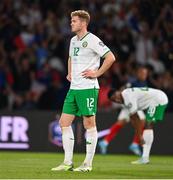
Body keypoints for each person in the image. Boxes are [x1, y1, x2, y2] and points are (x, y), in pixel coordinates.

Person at [51, 10, 115, 172]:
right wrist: (69, 72)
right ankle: (67, 162)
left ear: (83, 23)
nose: (71, 23)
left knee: (89, 124)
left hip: (88, 88)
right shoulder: (73, 40)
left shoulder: (92, 40)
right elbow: (71, 57)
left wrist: (97, 73)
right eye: (71, 21)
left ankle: (87, 164)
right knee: (64, 123)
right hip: (74, 88)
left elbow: (110, 57)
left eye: (74, 21)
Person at [107, 87, 168, 164]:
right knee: (147, 124)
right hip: (155, 99)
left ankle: (145, 158)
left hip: (158, 99)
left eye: (116, 96)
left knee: (148, 124)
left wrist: (139, 136)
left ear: (119, 92)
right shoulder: (125, 98)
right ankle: (145, 158)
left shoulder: (128, 97)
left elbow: (137, 119)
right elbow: (133, 118)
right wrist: (138, 132)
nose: (117, 100)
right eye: (114, 100)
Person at [98, 66, 148, 155]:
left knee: (121, 123)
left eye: (145, 74)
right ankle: (135, 144)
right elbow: (122, 90)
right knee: (142, 121)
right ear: (138, 73)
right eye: (143, 73)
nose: (144, 75)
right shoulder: (132, 83)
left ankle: (105, 142)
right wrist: (120, 100)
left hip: (133, 106)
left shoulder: (144, 84)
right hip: (130, 105)